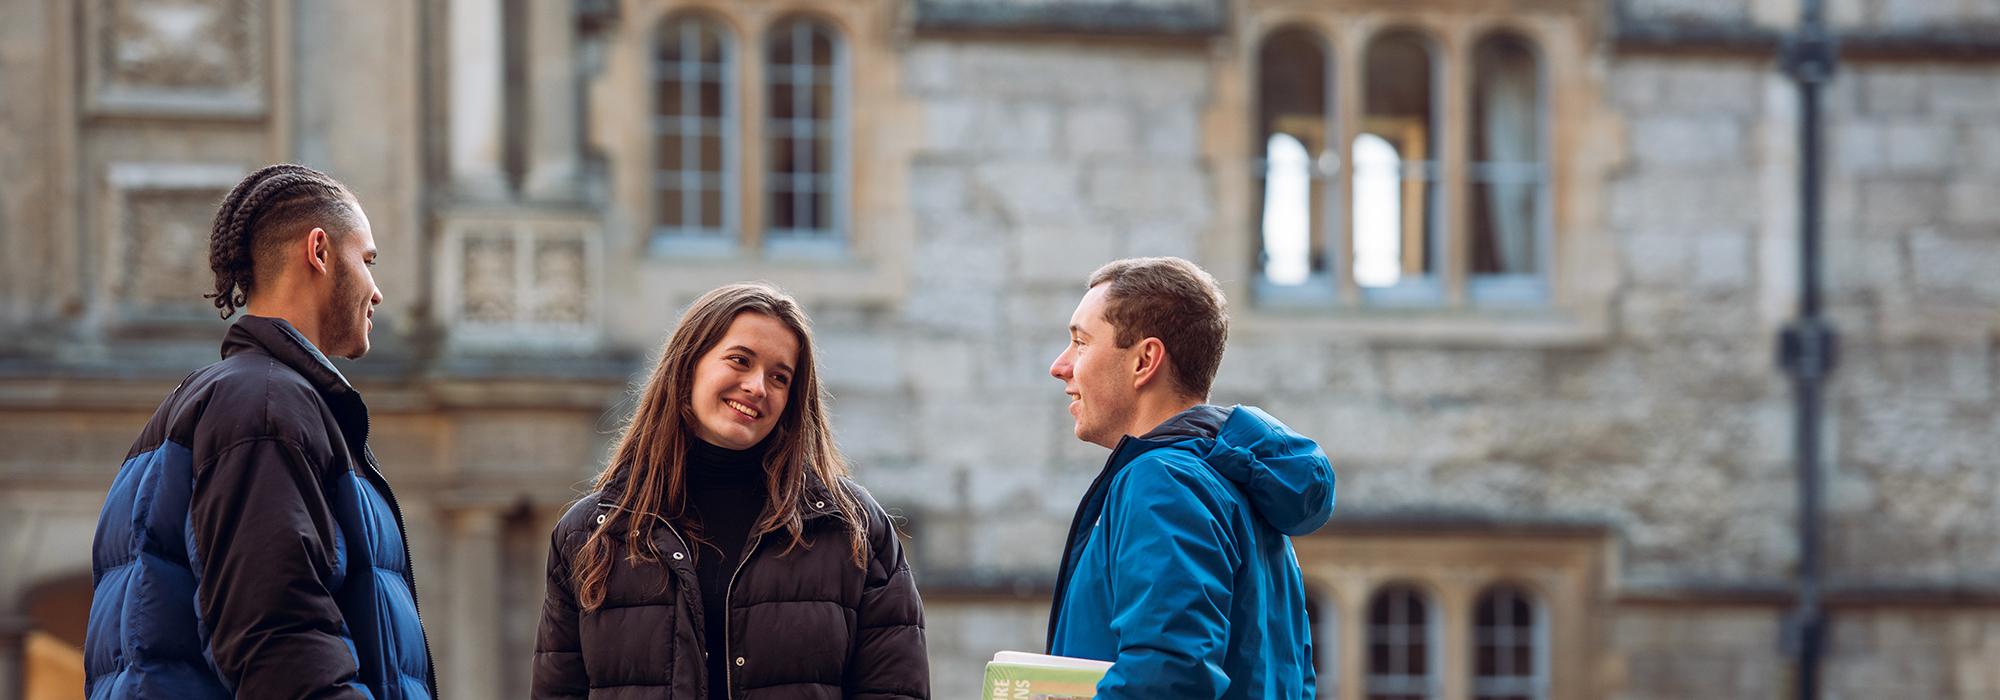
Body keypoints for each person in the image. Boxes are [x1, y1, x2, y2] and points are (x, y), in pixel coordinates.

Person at [84, 164, 436, 698]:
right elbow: (278, 641)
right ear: (318, 251)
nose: (377, 291)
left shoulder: (231, 400)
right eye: (367, 261)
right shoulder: (266, 408)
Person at [532, 282, 928, 700]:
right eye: (740, 360)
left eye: (779, 377)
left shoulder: (852, 529)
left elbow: (895, 690)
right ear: (687, 367)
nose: (758, 386)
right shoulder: (590, 532)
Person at [1044, 256, 1336, 699]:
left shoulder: (1162, 481)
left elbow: (1167, 675)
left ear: (1145, 360)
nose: (1060, 366)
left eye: (1081, 343)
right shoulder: (1235, 487)